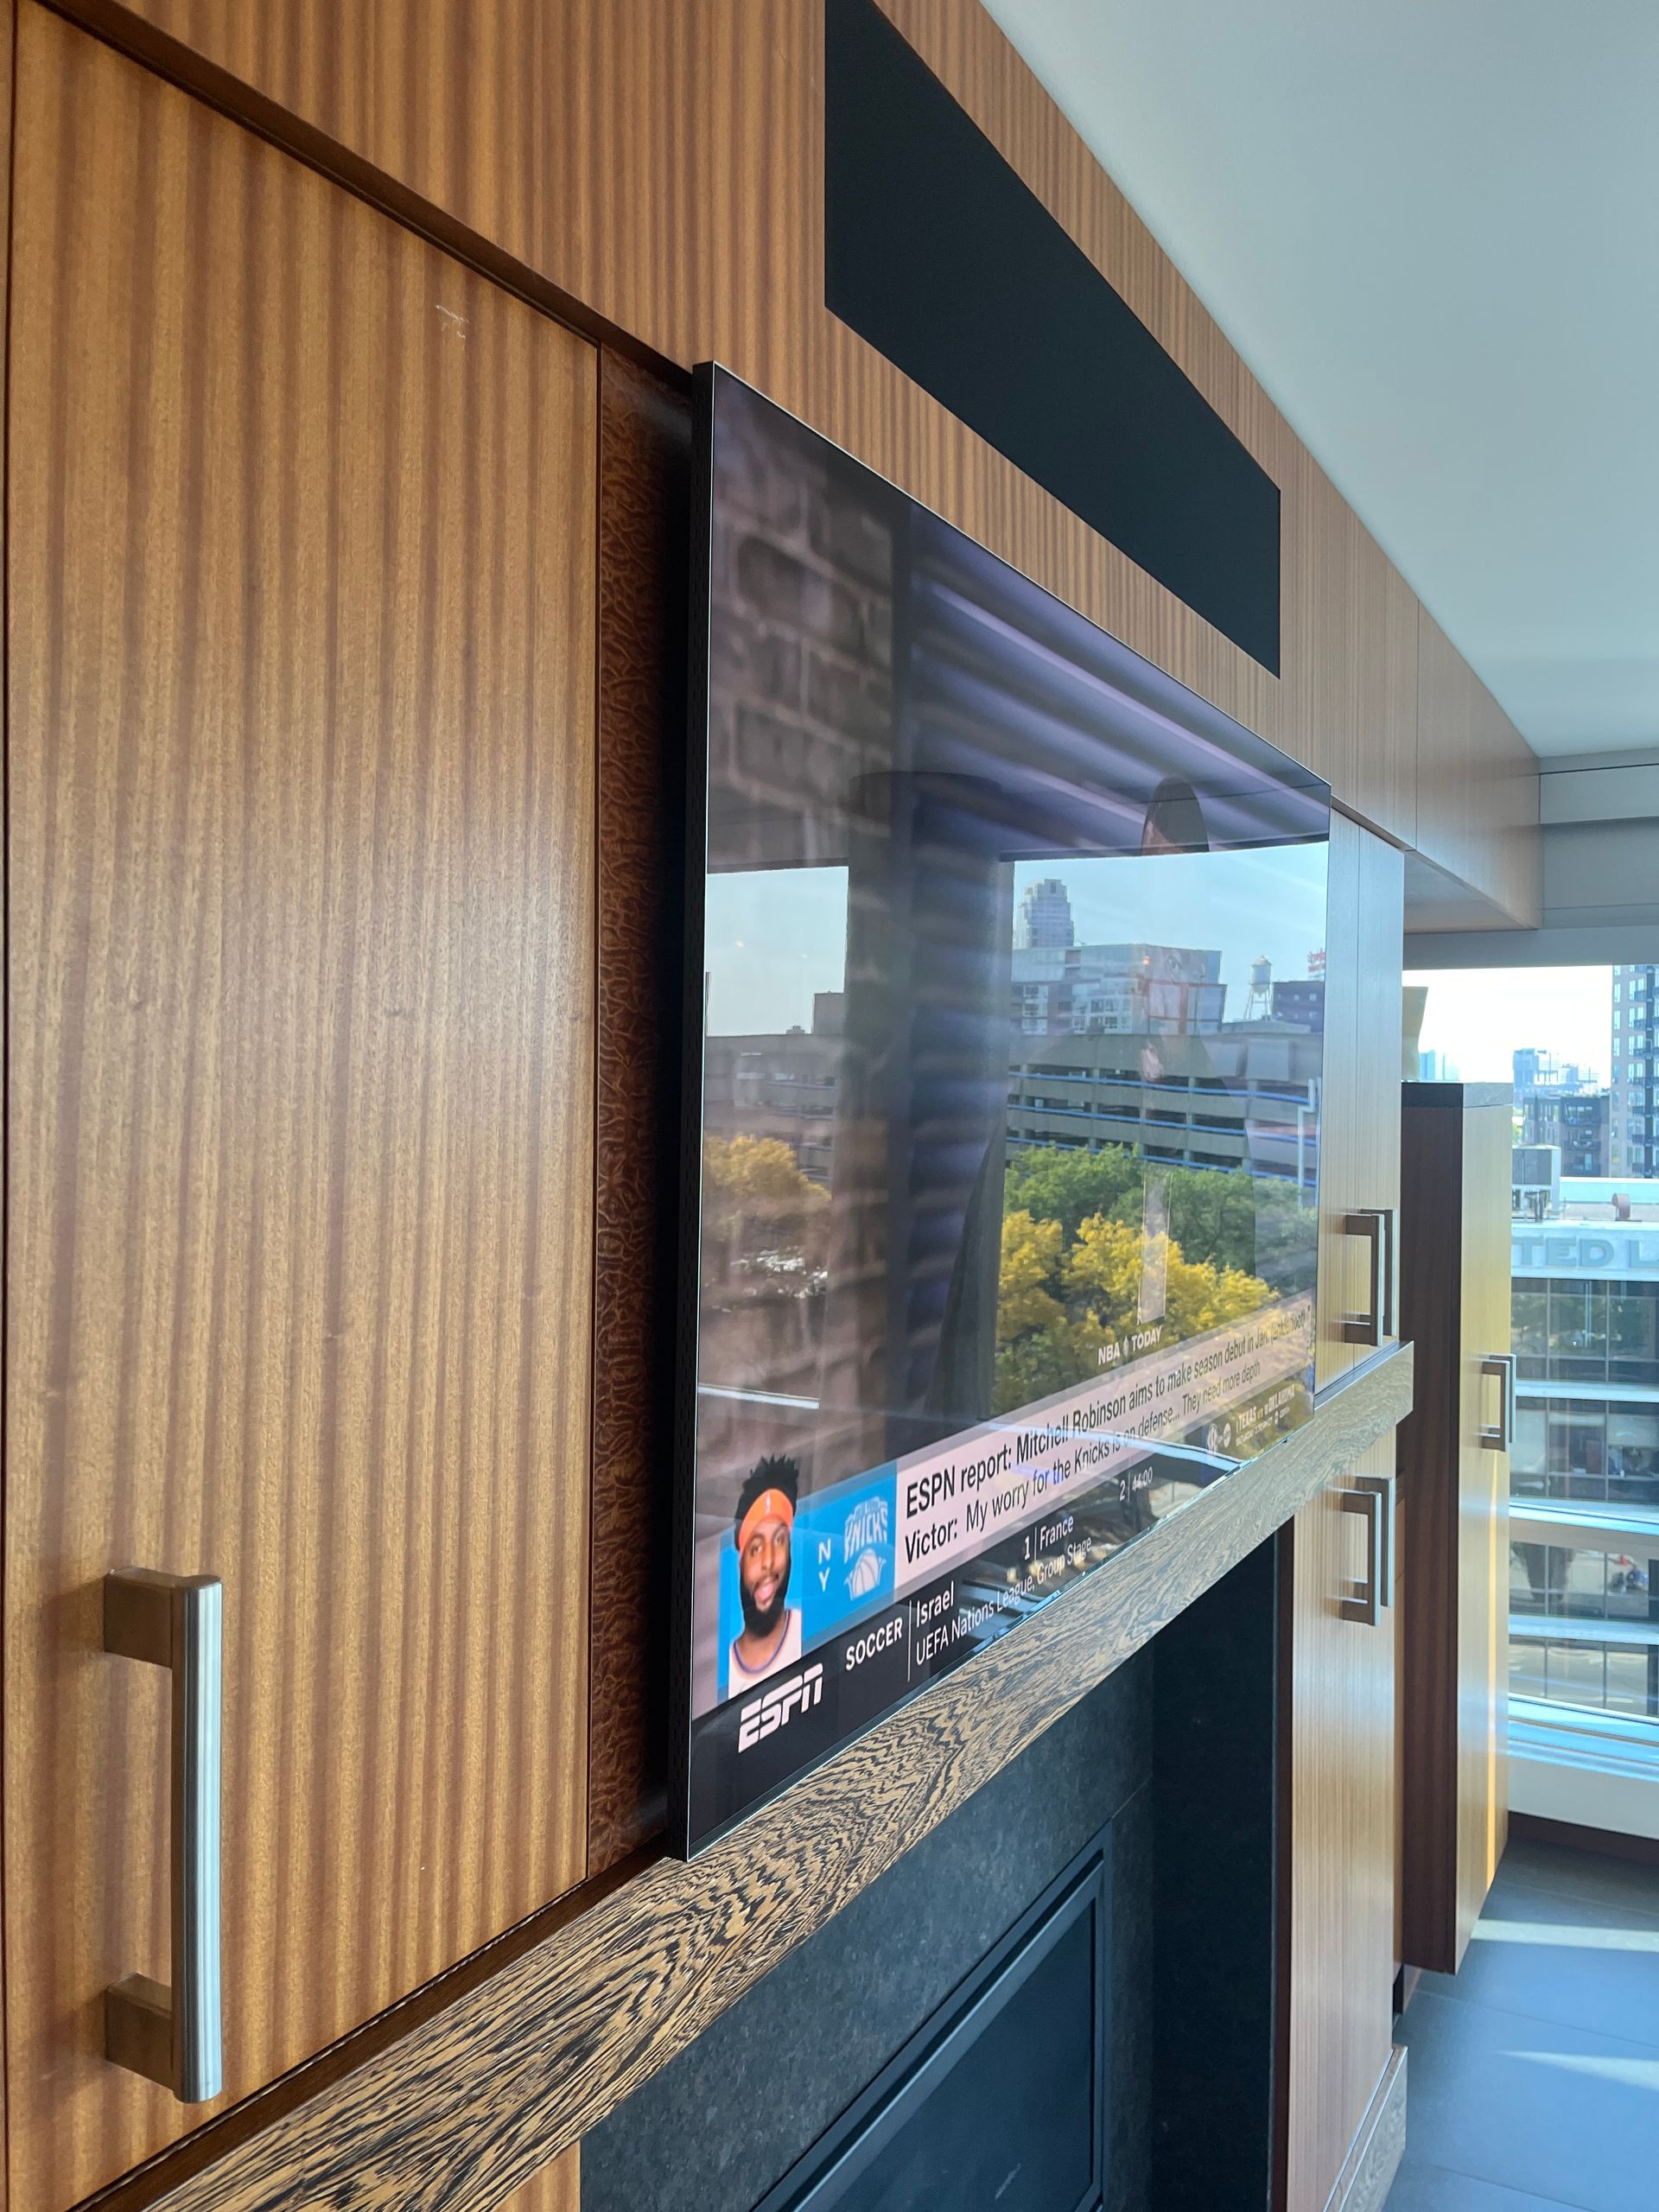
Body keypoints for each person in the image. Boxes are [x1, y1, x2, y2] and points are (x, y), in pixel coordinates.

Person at [728, 1456, 803, 1691]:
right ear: (740, 1565)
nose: (769, 1561)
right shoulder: (719, 1671)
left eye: (779, 1541)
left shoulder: (809, 1628)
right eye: (756, 1548)